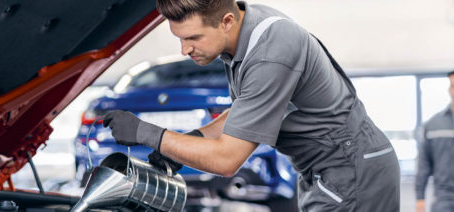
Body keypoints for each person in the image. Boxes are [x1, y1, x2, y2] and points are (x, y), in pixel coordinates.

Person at [102, 0, 400, 211]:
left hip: (351, 168)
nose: (185, 49)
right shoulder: (242, 34)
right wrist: (189, 141)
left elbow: (226, 160)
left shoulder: (270, 50)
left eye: (193, 37)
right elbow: (244, 113)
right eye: (179, 38)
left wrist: (148, 134)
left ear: (226, 22)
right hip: (328, 169)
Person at [416, 71, 454, 212]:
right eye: (453, 86)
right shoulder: (433, 125)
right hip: (442, 199)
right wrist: (420, 198)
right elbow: (424, 164)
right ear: (448, 89)